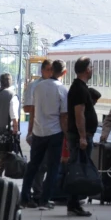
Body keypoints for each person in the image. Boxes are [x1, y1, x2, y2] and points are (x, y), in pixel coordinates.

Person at [19, 60, 68, 210]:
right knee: (53, 168)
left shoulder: (38, 87)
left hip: (38, 132)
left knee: (33, 166)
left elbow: (32, 110)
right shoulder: (62, 89)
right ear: (64, 73)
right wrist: (66, 136)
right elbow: (63, 115)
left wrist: (30, 131)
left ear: (51, 70)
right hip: (54, 133)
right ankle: (44, 201)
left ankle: (24, 198)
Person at [65, 57, 97, 218]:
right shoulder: (79, 88)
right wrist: (83, 137)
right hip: (80, 138)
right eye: (91, 66)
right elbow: (79, 114)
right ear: (86, 69)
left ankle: (74, 203)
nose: (92, 69)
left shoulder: (80, 87)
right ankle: (73, 203)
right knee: (78, 170)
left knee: (79, 169)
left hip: (80, 136)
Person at [0, 73, 20, 174]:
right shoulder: (12, 96)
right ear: (11, 82)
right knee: (0, 163)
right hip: (4, 135)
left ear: (0, 81)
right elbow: (14, 117)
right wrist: (16, 130)